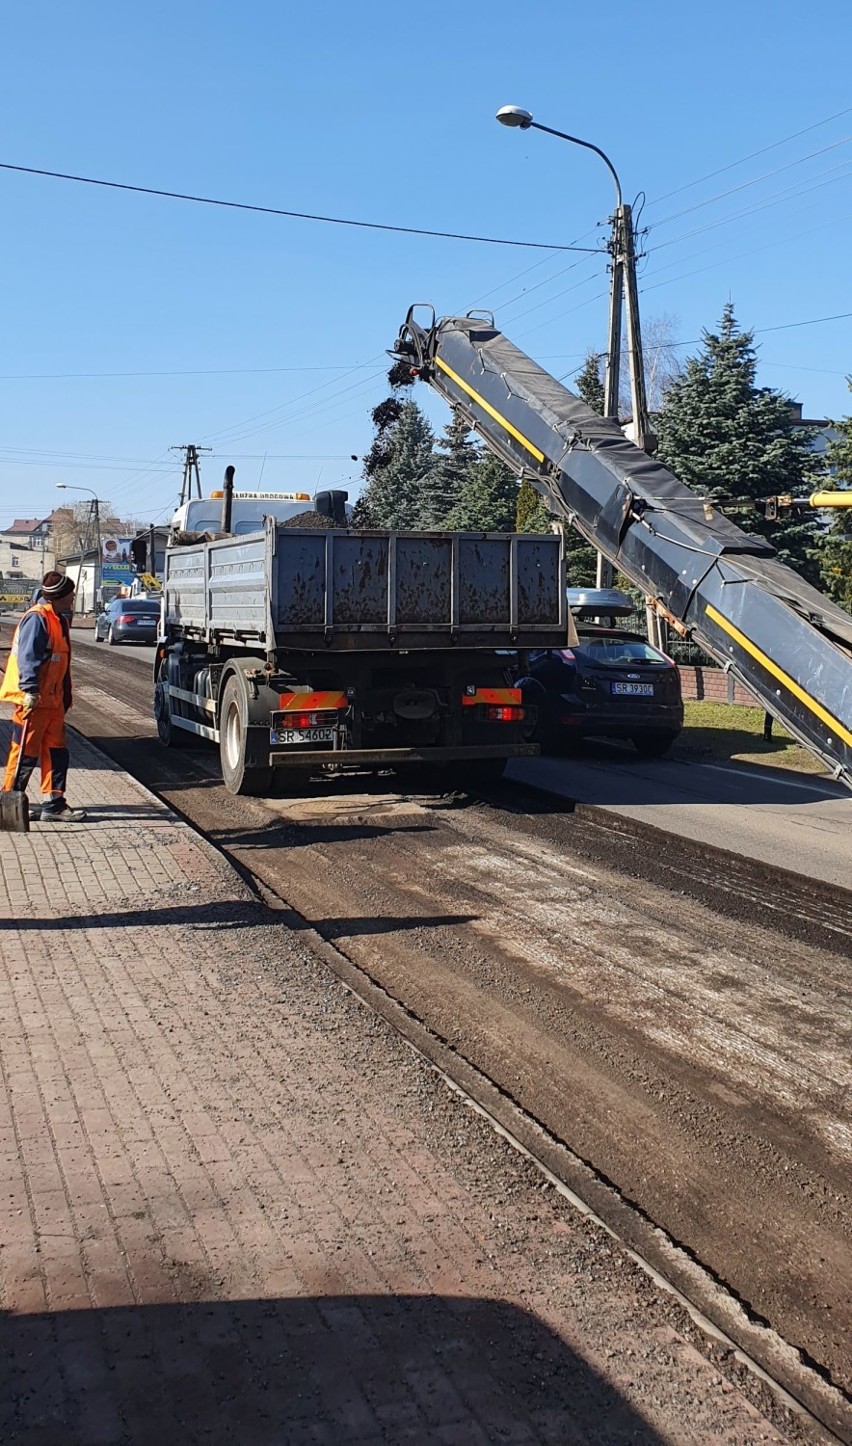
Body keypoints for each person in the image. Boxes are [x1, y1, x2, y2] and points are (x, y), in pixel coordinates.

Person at [0, 571, 87, 822]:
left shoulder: (56, 618)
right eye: (70, 594)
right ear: (59, 595)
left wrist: (64, 696)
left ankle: (54, 804)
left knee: (57, 752)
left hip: (53, 701)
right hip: (34, 701)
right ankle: (10, 802)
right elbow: (29, 658)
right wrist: (30, 691)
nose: (73, 597)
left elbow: (59, 662)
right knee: (25, 752)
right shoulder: (37, 619)